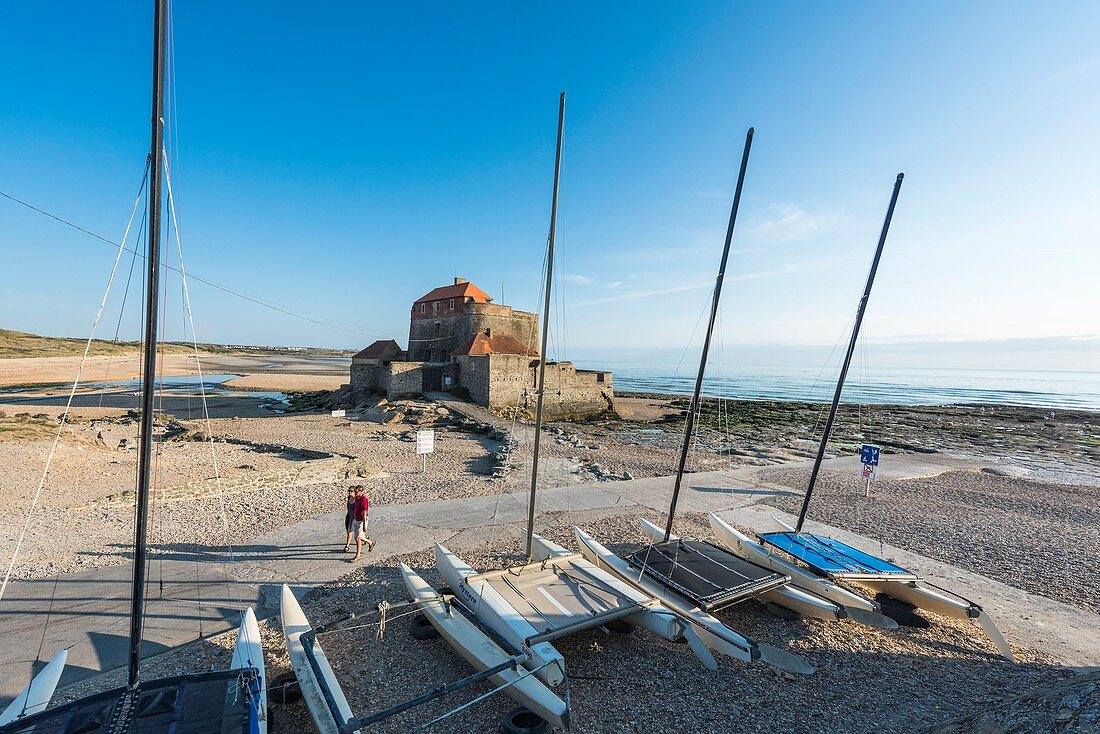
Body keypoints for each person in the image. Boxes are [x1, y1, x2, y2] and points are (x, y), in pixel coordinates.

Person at [350, 485, 376, 561]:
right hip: (356, 519)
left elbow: (365, 512)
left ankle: (357, 555)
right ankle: (370, 542)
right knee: (357, 538)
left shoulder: (364, 499)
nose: (355, 493)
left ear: (361, 491)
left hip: (362, 520)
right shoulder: (357, 498)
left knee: (358, 537)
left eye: (356, 491)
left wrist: (364, 525)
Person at [343, 486, 356, 553]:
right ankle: (366, 538)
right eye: (349, 491)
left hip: (354, 518)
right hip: (348, 516)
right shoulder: (349, 498)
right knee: (349, 530)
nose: (349, 492)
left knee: (349, 531)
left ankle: (347, 546)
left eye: (351, 491)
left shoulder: (356, 500)